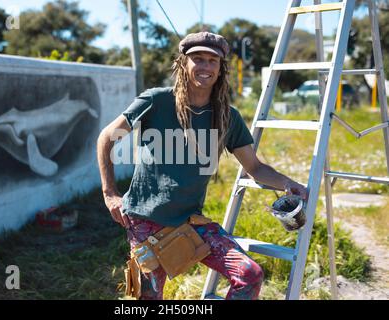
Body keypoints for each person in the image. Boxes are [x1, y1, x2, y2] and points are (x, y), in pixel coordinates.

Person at [97, 31, 308, 300]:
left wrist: (289, 184)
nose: (205, 66)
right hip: (144, 223)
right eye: (198, 58)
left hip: (190, 221)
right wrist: (110, 193)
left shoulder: (227, 117)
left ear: (220, 69)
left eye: (213, 60)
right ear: (183, 63)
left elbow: (255, 168)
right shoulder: (156, 101)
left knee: (249, 275)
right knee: (147, 297)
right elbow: (106, 137)